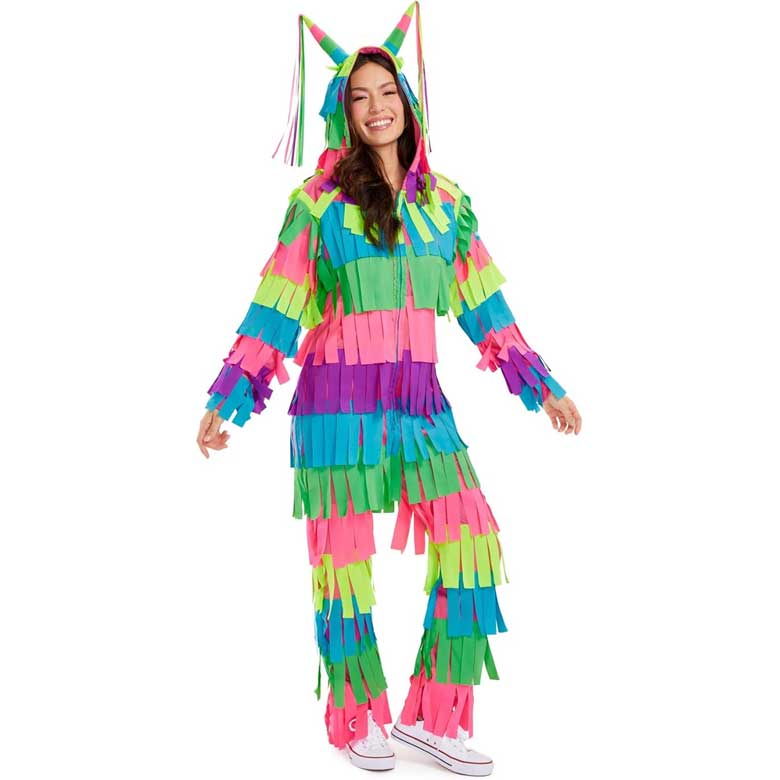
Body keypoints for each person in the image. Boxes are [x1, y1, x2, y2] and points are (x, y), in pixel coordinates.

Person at [196, 3, 581, 775]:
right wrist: (228, 396)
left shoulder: (446, 205)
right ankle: (355, 719)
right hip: (336, 411)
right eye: (359, 96)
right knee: (344, 572)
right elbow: (278, 303)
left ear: (408, 101)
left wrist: (541, 386)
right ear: (343, 112)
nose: (376, 107)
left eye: (387, 92)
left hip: (420, 407)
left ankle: (432, 720)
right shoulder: (318, 204)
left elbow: (482, 303)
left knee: (473, 543)